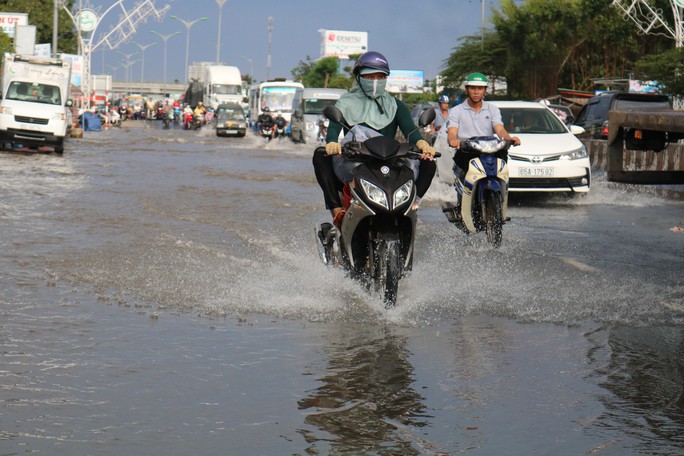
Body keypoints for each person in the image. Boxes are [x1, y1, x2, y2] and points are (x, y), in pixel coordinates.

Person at [312, 51, 436, 229]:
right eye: (370, 76)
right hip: (355, 158)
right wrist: (332, 142)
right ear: (359, 77)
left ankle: (412, 205)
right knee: (320, 155)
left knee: (429, 163)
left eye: (380, 76)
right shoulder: (346, 103)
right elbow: (334, 129)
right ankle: (337, 210)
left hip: (389, 159)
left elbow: (411, 131)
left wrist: (422, 144)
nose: (375, 80)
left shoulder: (395, 105)